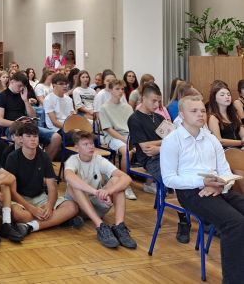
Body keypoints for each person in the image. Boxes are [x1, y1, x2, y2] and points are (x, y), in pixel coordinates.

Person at [161, 94, 244, 284]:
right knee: (235, 223)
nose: (200, 114)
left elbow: (224, 170)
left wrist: (221, 185)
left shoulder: (211, 139)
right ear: (182, 115)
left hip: (218, 188)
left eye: (203, 110)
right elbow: (169, 179)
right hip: (190, 192)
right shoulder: (172, 141)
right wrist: (203, 182)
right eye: (194, 111)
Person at [128, 83, 189, 242]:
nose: (157, 105)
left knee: (190, 172)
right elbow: (145, 147)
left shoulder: (160, 117)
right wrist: (164, 143)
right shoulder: (134, 119)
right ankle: (184, 219)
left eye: (159, 101)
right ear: (143, 98)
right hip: (150, 160)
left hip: (167, 154)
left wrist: (160, 146)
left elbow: (175, 139)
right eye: (154, 101)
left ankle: (199, 211)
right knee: (174, 179)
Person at [64, 130, 137, 249]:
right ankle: (100, 226)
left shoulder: (99, 159)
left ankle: (119, 226)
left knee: (117, 181)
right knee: (74, 184)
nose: (90, 147)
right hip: (77, 207)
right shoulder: (73, 160)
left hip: (97, 203)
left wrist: (108, 191)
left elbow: (127, 178)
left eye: (91, 143)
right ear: (76, 148)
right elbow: (68, 177)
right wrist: (95, 192)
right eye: (85, 144)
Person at [6, 123, 81, 234]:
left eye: (35, 136)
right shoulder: (12, 158)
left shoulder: (44, 156)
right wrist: (32, 209)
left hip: (40, 197)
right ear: (21, 139)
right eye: (28, 136)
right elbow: (12, 192)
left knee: (72, 207)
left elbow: (52, 187)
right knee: (18, 215)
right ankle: (58, 220)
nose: (33, 139)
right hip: (21, 199)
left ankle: (32, 226)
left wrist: (50, 206)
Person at [99, 79, 137, 200]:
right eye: (117, 89)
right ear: (110, 90)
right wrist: (125, 140)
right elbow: (109, 129)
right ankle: (125, 185)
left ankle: (149, 183)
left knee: (149, 148)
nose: (120, 91)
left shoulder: (128, 107)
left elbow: (133, 126)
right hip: (113, 137)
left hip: (128, 136)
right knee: (126, 151)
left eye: (122, 89)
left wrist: (132, 139)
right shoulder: (104, 108)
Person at [206, 82, 244, 148]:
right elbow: (219, 141)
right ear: (214, 99)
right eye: (222, 95)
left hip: (240, 148)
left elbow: (242, 133)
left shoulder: (234, 114)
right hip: (226, 151)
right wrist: (241, 143)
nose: (227, 97)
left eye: (228, 94)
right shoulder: (213, 117)